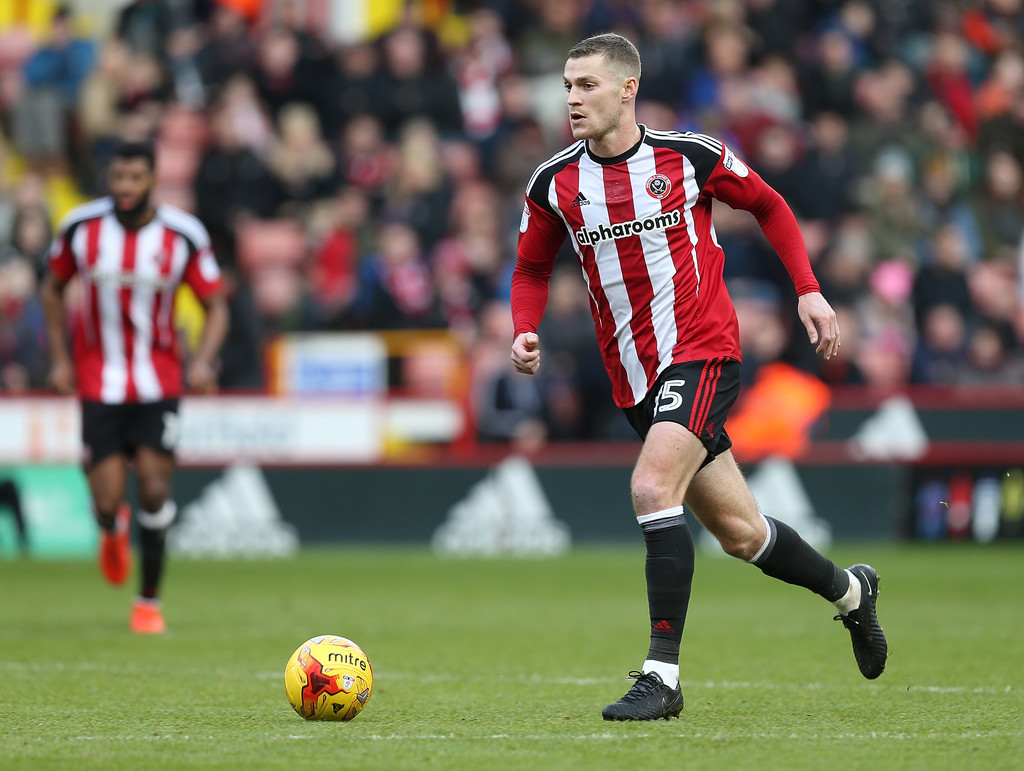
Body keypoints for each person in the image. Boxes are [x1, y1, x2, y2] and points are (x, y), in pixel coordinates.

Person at [510, 33, 887, 721]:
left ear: (627, 89)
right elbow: (533, 265)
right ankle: (852, 593)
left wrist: (807, 288)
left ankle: (662, 676)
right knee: (742, 534)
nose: (571, 98)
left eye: (586, 85)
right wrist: (524, 324)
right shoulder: (554, 182)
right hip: (635, 377)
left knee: (652, 486)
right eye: (567, 85)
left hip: (704, 349)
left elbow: (768, 204)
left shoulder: (688, 155)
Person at [40, 141, 229, 634]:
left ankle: (148, 603)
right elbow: (52, 287)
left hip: (158, 381)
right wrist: (61, 359)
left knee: (153, 486)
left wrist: (204, 362)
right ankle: (110, 529)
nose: (123, 188)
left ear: (153, 179)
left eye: (134, 178)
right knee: (106, 501)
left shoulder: (184, 234)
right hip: (99, 382)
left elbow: (216, 305)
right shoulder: (81, 227)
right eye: (117, 177)